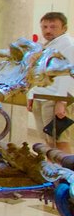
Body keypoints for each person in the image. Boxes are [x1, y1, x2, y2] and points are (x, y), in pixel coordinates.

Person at [28, 12, 74, 152]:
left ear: (64, 28)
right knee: (48, 141)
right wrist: (31, 95)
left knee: (59, 140)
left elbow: (68, 73)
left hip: (56, 98)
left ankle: (66, 173)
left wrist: (61, 101)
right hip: (42, 96)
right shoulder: (47, 45)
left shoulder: (68, 44)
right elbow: (38, 73)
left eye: (53, 27)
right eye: (45, 27)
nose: (48, 30)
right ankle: (52, 171)